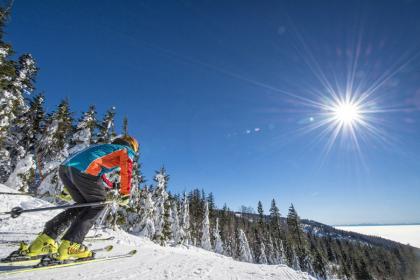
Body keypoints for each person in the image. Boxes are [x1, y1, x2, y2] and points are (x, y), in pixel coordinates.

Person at [18, 135, 139, 261]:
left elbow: (96, 169)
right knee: (98, 204)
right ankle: (72, 244)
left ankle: (45, 240)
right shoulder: (126, 150)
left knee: (81, 205)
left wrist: (111, 185)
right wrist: (125, 193)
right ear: (132, 146)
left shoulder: (106, 147)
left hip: (66, 169)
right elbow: (127, 169)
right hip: (84, 172)